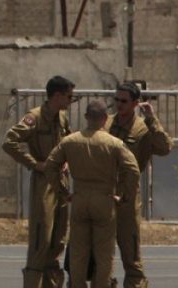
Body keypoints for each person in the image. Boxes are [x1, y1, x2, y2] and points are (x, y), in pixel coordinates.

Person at [45, 100, 140, 288]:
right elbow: (133, 170)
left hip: (79, 197)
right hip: (104, 199)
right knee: (104, 254)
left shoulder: (70, 141)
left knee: (78, 252)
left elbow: (50, 165)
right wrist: (125, 197)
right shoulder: (114, 143)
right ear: (105, 119)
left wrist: (62, 191)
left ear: (86, 117)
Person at [2, 75, 75, 288]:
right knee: (41, 238)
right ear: (57, 95)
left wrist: (67, 162)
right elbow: (10, 142)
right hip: (44, 182)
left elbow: (67, 142)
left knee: (58, 239)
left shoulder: (62, 118)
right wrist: (35, 164)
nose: (70, 100)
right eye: (68, 96)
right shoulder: (35, 117)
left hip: (61, 181)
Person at [106, 81, 172, 288]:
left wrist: (152, 118)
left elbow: (164, 148)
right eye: (116, 100)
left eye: (124, 101)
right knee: (100, 255)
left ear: (135, 103)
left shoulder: (143, 129)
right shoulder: (105, 123)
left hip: (127, 195)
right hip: (102, 193)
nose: (119, 104)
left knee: (131, 255)